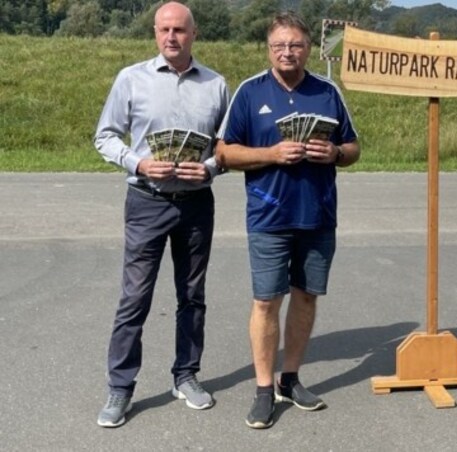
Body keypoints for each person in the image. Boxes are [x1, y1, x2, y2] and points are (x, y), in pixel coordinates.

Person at [215, 11, 360, 429]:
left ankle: (290, 378)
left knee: (307, 297)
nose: (287, 52)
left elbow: (353, 148)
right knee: (265, 301)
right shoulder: (249, 91)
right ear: (269, 49)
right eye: (279, 45)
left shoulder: (327, 91)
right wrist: (271, 154)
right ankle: (264, 389)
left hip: (318, 214)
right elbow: (224, 153)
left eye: (295, 45)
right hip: (268, 214)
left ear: (308, 47)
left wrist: (333, 154)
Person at [93, 2, 229, 428]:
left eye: (180, 30)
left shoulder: (216, 84)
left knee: (192, 296)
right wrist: (138, 163)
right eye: (164, 29)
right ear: (155, 33)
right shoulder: (130, 79)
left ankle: (185, 376)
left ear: (194, 34)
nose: (172, 37)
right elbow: (105, 136)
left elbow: (227, 148)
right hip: (146, 201)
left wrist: (208, 167)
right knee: (134, 298)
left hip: (195, 204)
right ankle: (120, 388)